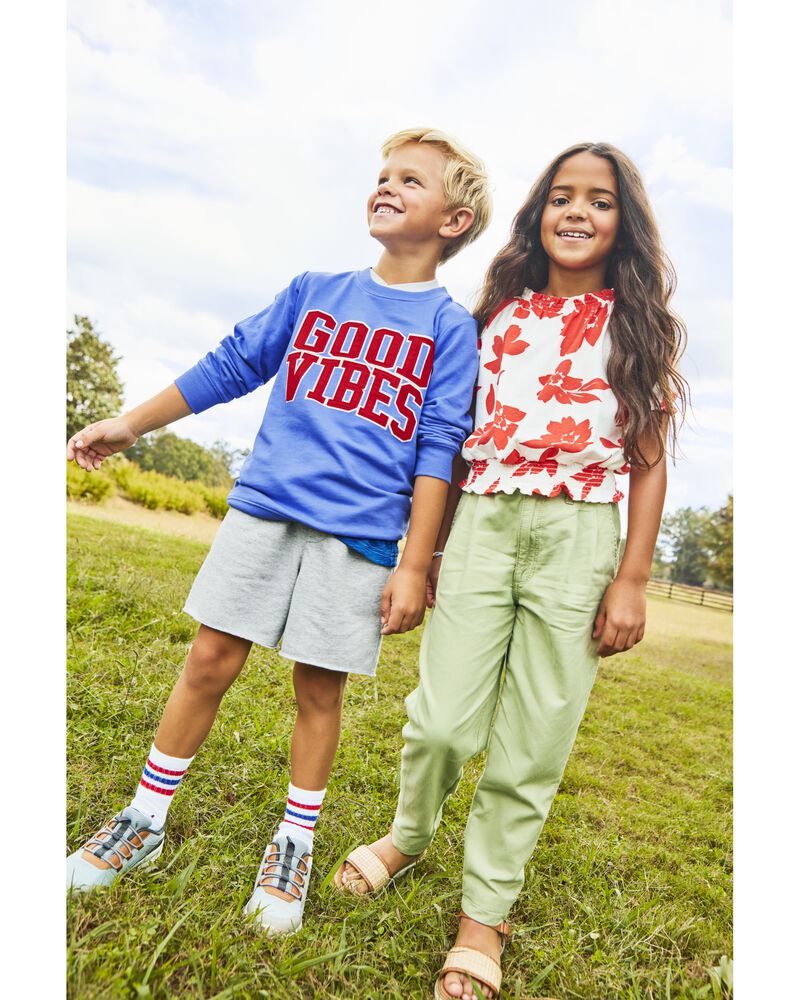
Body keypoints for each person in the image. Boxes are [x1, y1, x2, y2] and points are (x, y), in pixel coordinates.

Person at [65, 127, 492, 937]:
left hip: (361, 538)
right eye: (382, 175)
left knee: (317, 690)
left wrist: (414, 563)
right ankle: (144, 821)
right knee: (208, 660)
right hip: (265, 509)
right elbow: (230, 364)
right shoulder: (314, 290)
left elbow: (442, 449)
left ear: (454, 221)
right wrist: (129, 423)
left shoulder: (450, 328)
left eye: (411, 179)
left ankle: (293, 842)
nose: (387, 185)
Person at [334, 142, 688, 999]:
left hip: (580, 542)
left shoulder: (636, 325)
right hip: (486, 524)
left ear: (622, 224)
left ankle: (482, 917)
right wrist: (426, 559)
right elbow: (450, 448)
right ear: (535, 214)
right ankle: (410, 834)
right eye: (561, 196)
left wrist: (632, 578)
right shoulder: (493, 315)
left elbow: (647, 461)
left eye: (599, 202)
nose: (577, 212)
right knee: (444, 724)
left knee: (532, 742)